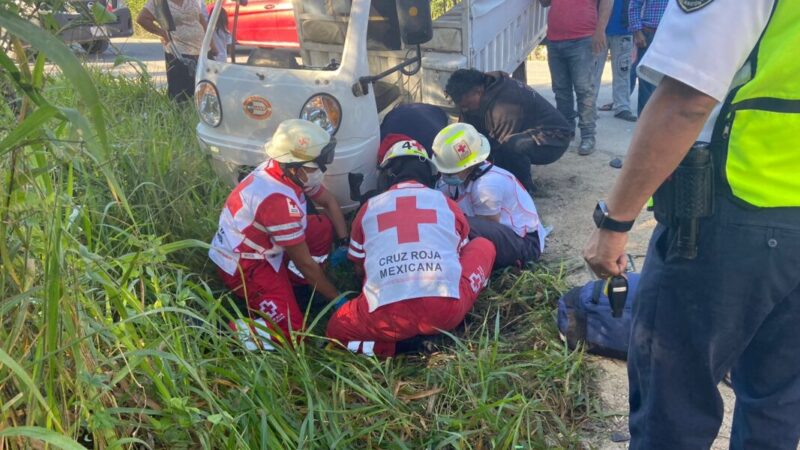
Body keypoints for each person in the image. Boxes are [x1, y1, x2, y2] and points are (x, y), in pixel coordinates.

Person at [583, 1, 800, 449]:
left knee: (673, 409)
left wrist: (615, 219)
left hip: (729, 216)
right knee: (776, 407)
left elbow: (688, 97)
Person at [326, 139, 497, 357]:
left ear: (386, 175)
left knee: (336, 330)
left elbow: (359, 269)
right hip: (445, 311)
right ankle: (459, 312)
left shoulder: (369, 208)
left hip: (384, 316)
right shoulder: (446, 204)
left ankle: (400, 348)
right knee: (483, 245)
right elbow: (460, 255)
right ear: (429, 174)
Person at [209, 119, 349, 350]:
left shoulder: (286, 172)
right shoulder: (277, 202)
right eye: (316, 167)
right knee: (293, 335)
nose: (321, 172)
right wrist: (337, 299)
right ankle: (223, 332)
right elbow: (304, 262)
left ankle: (301, 286)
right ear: (295, 167)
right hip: (246, 267)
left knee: (321, 227)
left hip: (262, 247)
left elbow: (328, 201)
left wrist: (344, 242)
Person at [431, 123, 545, 270]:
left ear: (469, 166)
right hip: (498, 236)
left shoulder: (487, 186)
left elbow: (489, 228)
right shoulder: (456, 178)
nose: (444, 177)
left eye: (449, 172)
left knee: (460, 223)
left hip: (523, 244)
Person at [444, 68, 572, 192]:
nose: (464, 109)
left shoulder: (504, 107)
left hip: (554, 138)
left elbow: (494, 152)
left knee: (510, 147)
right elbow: (467, 132)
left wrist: (478, 180)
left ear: (478, 91)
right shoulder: (483, 87)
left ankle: (523, 190)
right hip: (527, 129)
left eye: (466, 105)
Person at [538, 0, 612, 155]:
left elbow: (607, 2)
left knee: (584, 89)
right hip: (554, 39)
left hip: (583, 38)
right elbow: (545, 3)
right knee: (560, 89)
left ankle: (588, 135)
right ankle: (565, 130)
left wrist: (600, 31)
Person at [136, 0, 213, 102]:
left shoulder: (191, 1)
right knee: (181, 91)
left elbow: (201, 20)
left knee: (205, 89)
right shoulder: (159, 3)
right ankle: (181, 114)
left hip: (202, 51)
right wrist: (162, 33)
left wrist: (212, 44)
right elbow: (142, 19)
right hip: (178, 52)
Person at [593, 0, 637, 122]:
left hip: (623, 29)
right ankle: (588, 107)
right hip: (597, 30)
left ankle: (622, 107)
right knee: (593, 71)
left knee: (623, 71)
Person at [627, 0, 667, 114]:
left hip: (673, 37)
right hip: (649, 35)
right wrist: (637, 32)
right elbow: (634, 5)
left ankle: (662, 123)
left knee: (669, 82)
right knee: (647, 80)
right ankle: (645, 123)